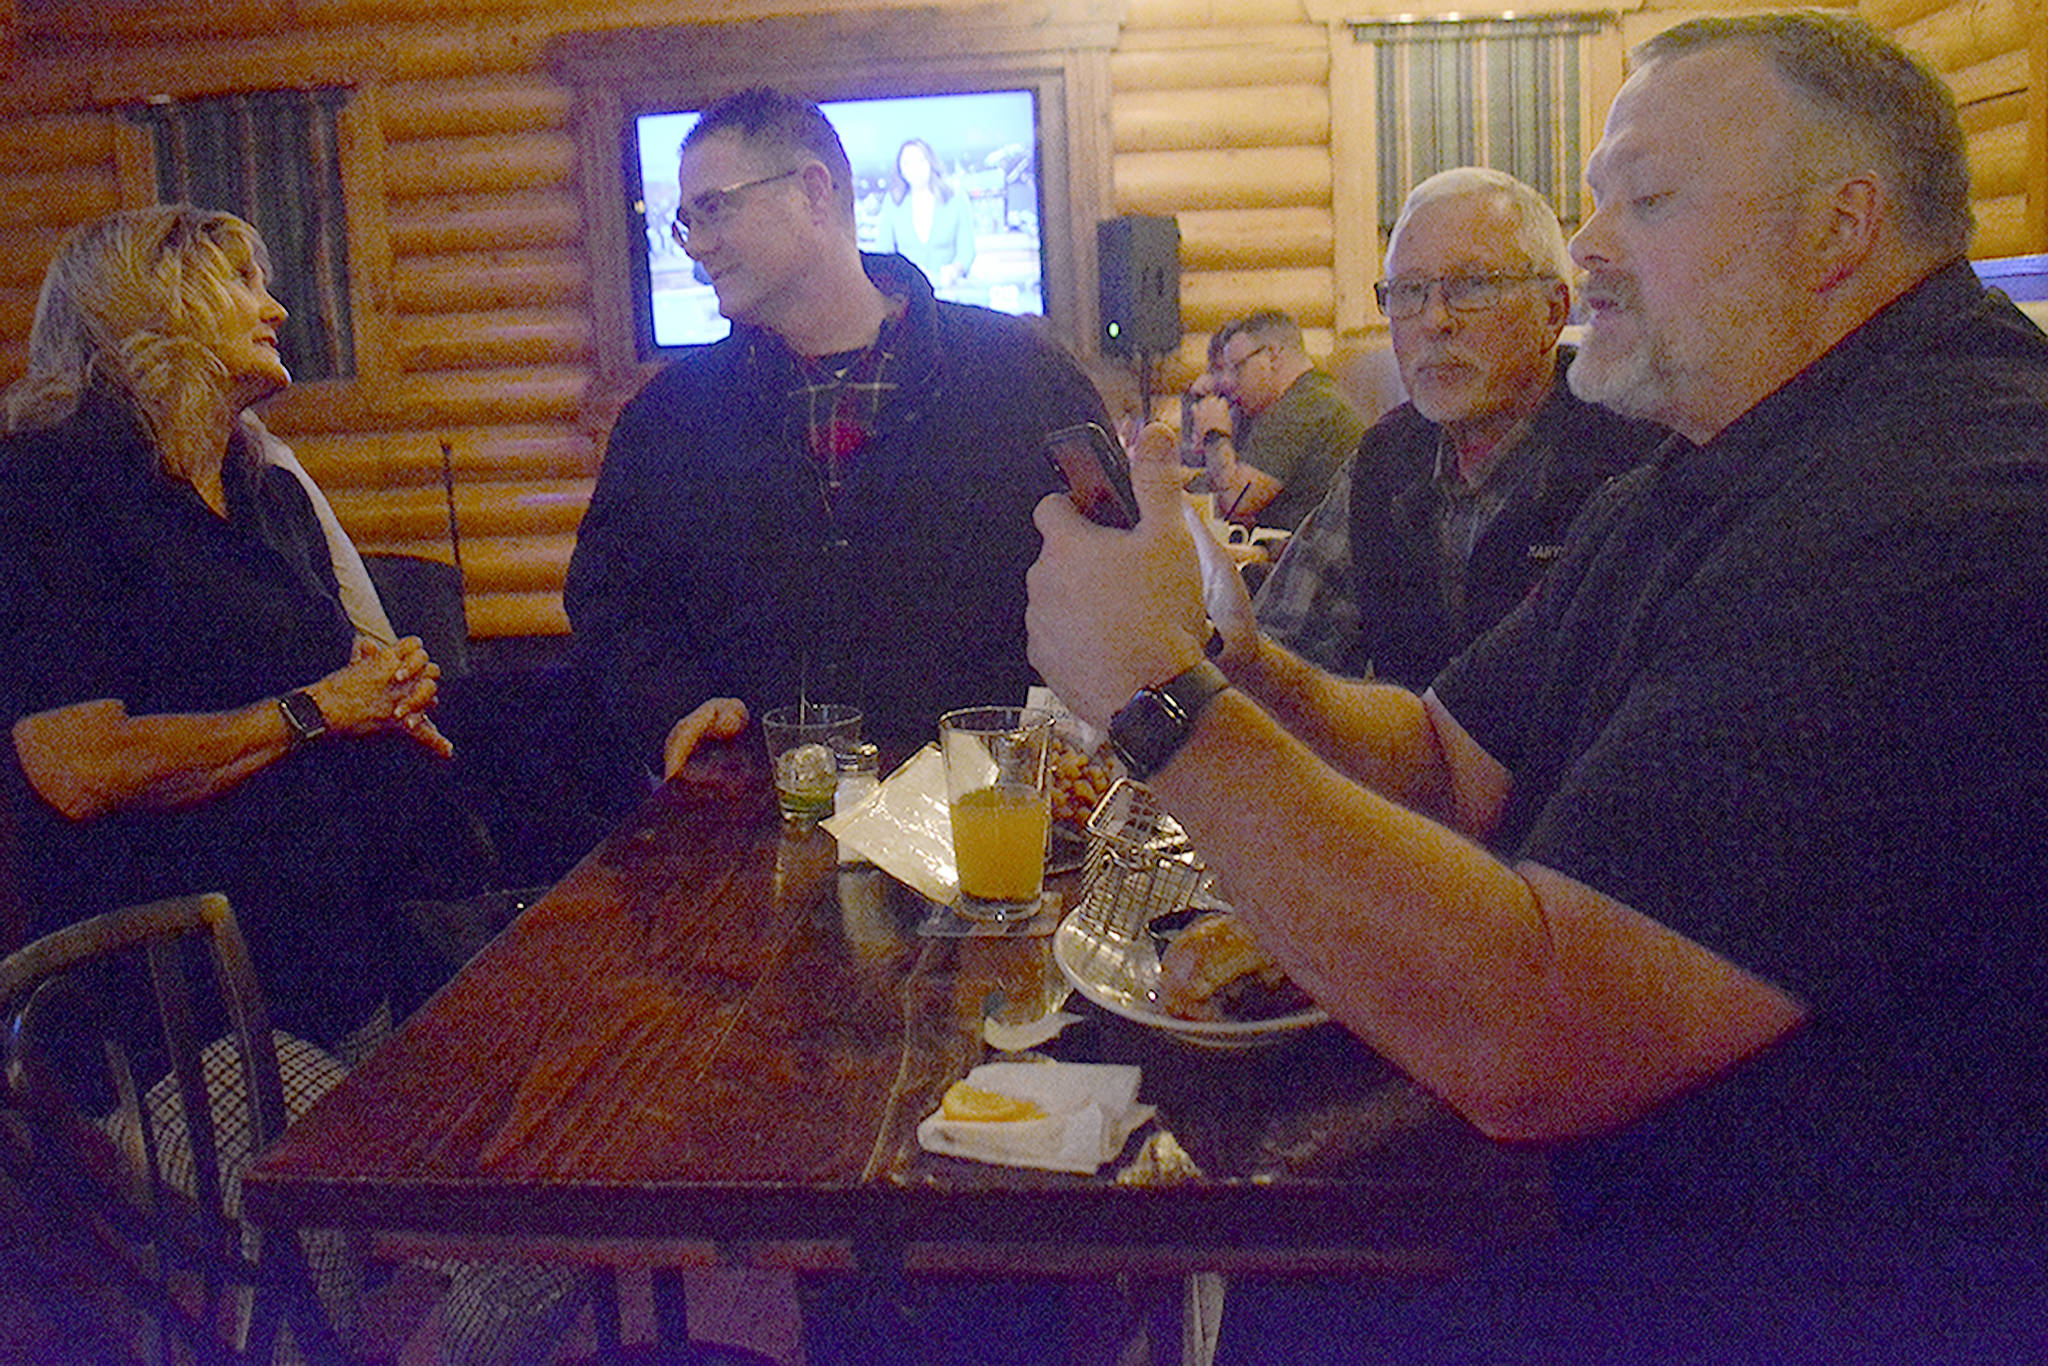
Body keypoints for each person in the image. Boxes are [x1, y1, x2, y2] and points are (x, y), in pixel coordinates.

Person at [1026, 12, 2048, 1358]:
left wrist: (1160, 702)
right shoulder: (1703, 470)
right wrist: (1232, 658)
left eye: (1650, 198)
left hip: (1799, 1296)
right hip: (1604, 1217)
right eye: (1592, 202)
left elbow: (1540, 1036)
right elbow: (1449, 758)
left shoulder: (1947, 504)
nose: (1590, 250)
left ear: (1841, 226)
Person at [0, 205, 473, 1054]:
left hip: (339, 969)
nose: (278, 309)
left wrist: (380, 689)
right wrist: (315, 709)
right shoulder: (45, 484)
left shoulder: (272, 496)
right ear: (149, 304)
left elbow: (322, 691)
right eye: (242, 282)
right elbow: (79, 766)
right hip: (170, 1022)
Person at [565, 87, 1112, 793]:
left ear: (813, 192)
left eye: (715, 208)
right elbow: (609, 602)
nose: (697, 244)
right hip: (754, 824)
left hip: (991, 828)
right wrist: (673, 707)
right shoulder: (668, 417)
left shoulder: (1027, 377)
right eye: (683, 222)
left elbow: (1111, 573)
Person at [1254, 168, 1666, 685]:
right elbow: (1279, 659)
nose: (1435, 320)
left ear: (1553, 312)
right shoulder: (1385, 458)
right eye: (1408, 291)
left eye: (1473, 285)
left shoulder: (1631, 459)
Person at [1188, 310, 1364, 534]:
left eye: (1237, 369)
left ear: (1272, 355)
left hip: (1312, 563)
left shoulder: (1305, 407)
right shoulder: (1297, 400)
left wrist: (1215, 434)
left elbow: (1235, 503)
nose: (1228, 382)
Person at [873, 135, 978, 288]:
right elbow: (884, 251)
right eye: (907, 163)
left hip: (948, 291)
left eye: (921, 160)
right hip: (907, 293)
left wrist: (954, 270)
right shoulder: (893, 202)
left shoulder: (956, 199)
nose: (915, 168)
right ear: (900, 170)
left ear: (931, 163)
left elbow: (967, 251)